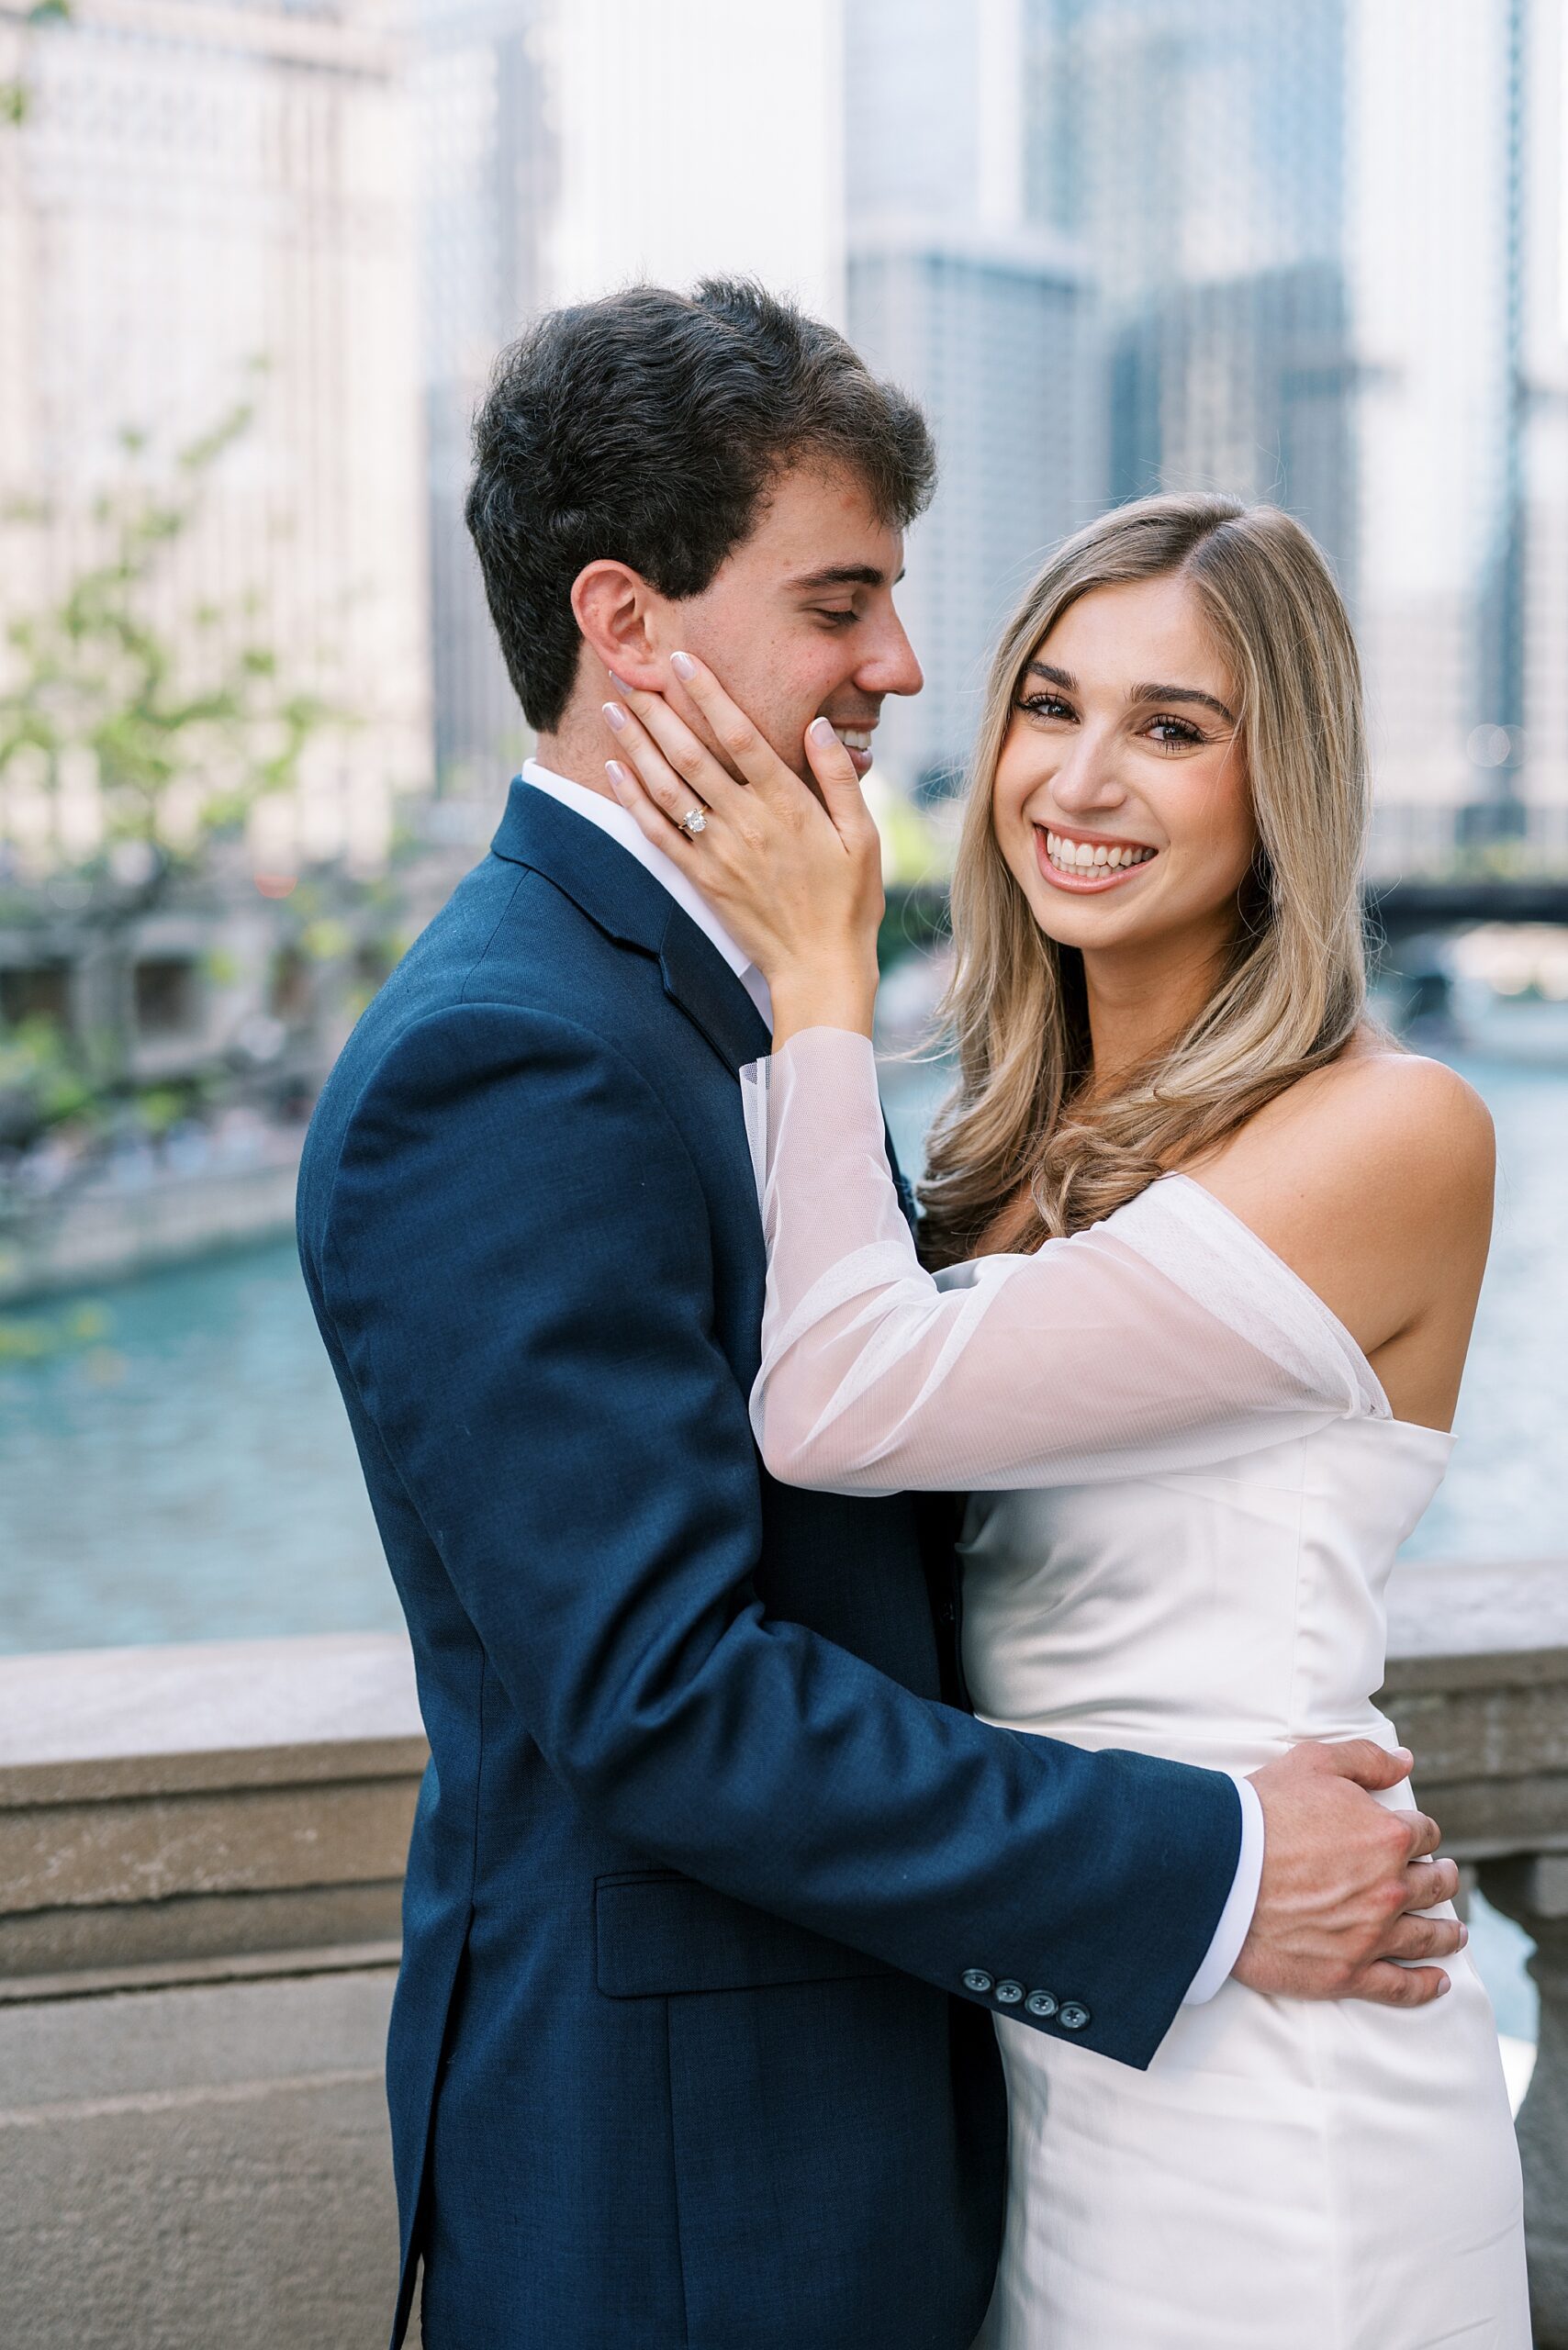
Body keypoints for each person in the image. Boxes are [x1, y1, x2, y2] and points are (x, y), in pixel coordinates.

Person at [297, 285, 1464, 2350]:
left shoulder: (718, 1014)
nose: (903, 670)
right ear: (624, 622)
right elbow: (663, 1694)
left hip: (1006, 2101)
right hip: (693, 2186)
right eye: (842, 603)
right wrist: (1210, 1859)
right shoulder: (515, 1051)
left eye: (1172, 724)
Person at [600, 487, 1529, 2347]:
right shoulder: (999, 1153)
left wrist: (817, 972)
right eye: (1048, 704)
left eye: (1170, 728)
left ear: (1283, 782)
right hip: (1062, 2027)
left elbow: (839, 1404)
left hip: (1280, 2086)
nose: (1079, 779)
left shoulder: (1389, 1130)